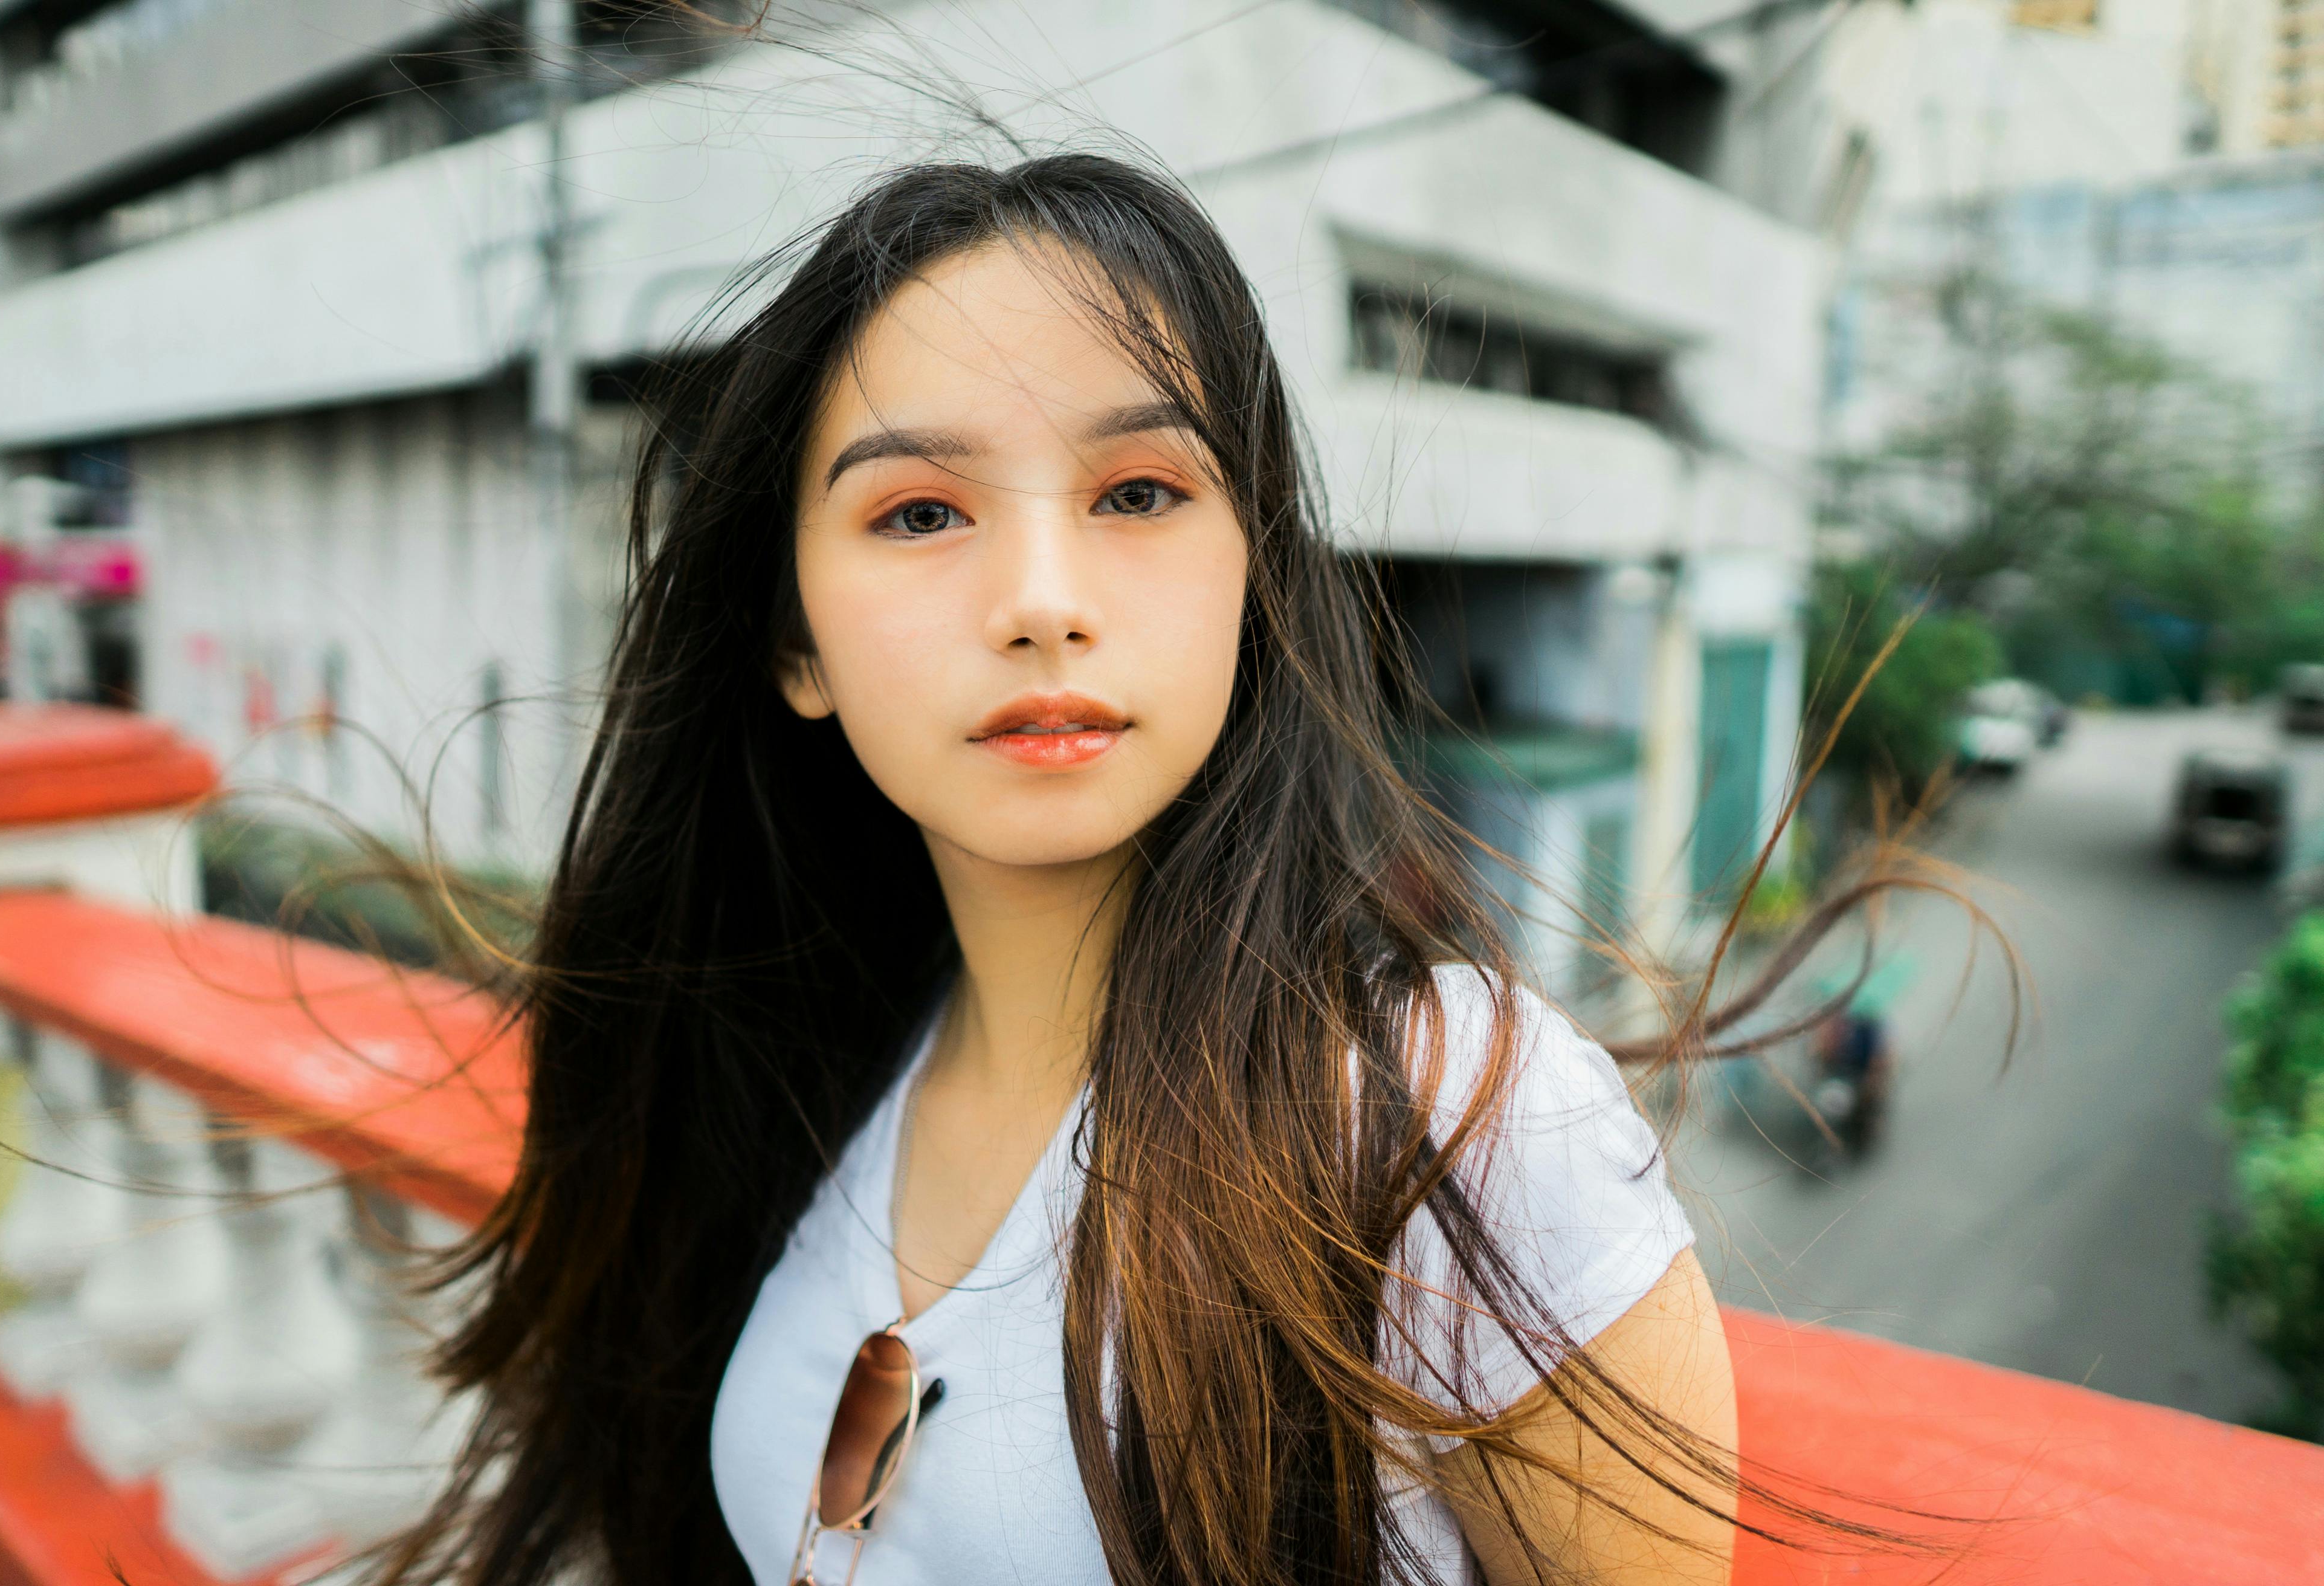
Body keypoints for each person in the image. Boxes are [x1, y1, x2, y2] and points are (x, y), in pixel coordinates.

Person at [391, 155, 1745, 1586]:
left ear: (1255, 577)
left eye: (1142, 491)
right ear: (796, 646)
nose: (1043, 602)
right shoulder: (810, 1059)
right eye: (919, 513)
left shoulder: (1447, 1117)